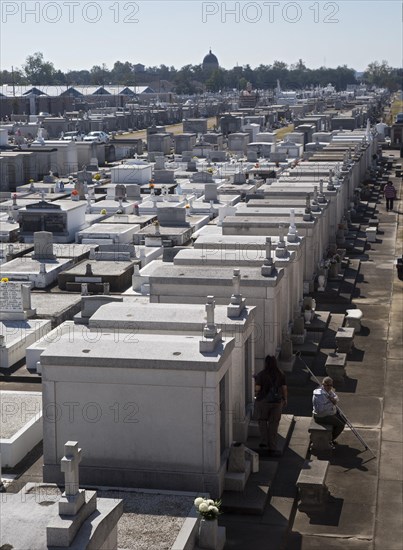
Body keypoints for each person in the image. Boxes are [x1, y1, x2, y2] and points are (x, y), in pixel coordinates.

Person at [253, 355, 288, 456]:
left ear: (266, 363)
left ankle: (264, 441)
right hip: (277, 402)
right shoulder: (280, 374)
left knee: (262, 421)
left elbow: (258, 389)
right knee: (274, 423)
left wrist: (256, 394)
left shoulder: (261, 374)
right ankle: (272, 446)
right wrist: (285, 399)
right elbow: (284, 388)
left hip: (263, 401)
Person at [312, 377, 346, 448]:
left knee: (344, 419)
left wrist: (333, 400)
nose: (329, 387)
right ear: (323, 385)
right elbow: (320, 410)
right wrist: (331, 402)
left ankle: (330, 436)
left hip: (330, 412)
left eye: (331, 385)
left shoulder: (329, 391)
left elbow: (336, 397)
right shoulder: (319, 395)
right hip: (322, 416)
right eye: (327, 385)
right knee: (341, 425)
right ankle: (330, 439)